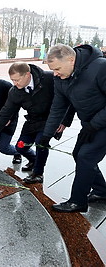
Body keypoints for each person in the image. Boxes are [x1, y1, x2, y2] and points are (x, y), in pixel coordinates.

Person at [0, 62, 71, 184]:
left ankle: (38, 173)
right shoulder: (15, 91)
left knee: (41, 143)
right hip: (32, 121)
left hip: (51, 119)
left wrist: (64, 121)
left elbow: (68, 98)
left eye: (17, 80)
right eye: (12, 80)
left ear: (27, 75)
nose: (15, 84)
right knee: (21, 146)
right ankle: (34, 160)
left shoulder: (50, 78)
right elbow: (4, 114)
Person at [40, 44, 106, 213]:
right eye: (52, 70)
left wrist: (94, 124)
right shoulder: (61, 77)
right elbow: (58, 107)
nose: (54, 73)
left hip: (100, 123)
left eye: (57, 68)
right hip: (90, 125)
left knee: (86, 156)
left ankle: (78, 201)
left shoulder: (100, 67)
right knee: (78, 154)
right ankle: (101, 191)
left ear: (71, 59)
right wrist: (46, 135)